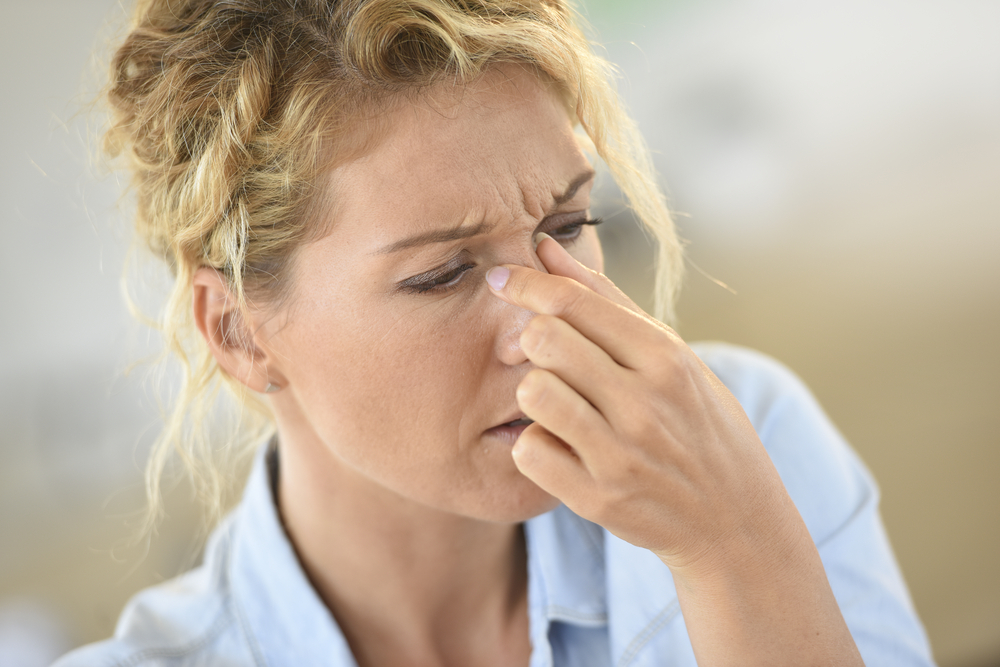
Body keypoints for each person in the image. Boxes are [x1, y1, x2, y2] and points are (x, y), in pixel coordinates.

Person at [56, 0, 935, 665]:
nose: (547, 324)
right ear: (239, 332)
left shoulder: (740, 438)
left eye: (567, 224)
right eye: (442, 272)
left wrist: (737, 549)